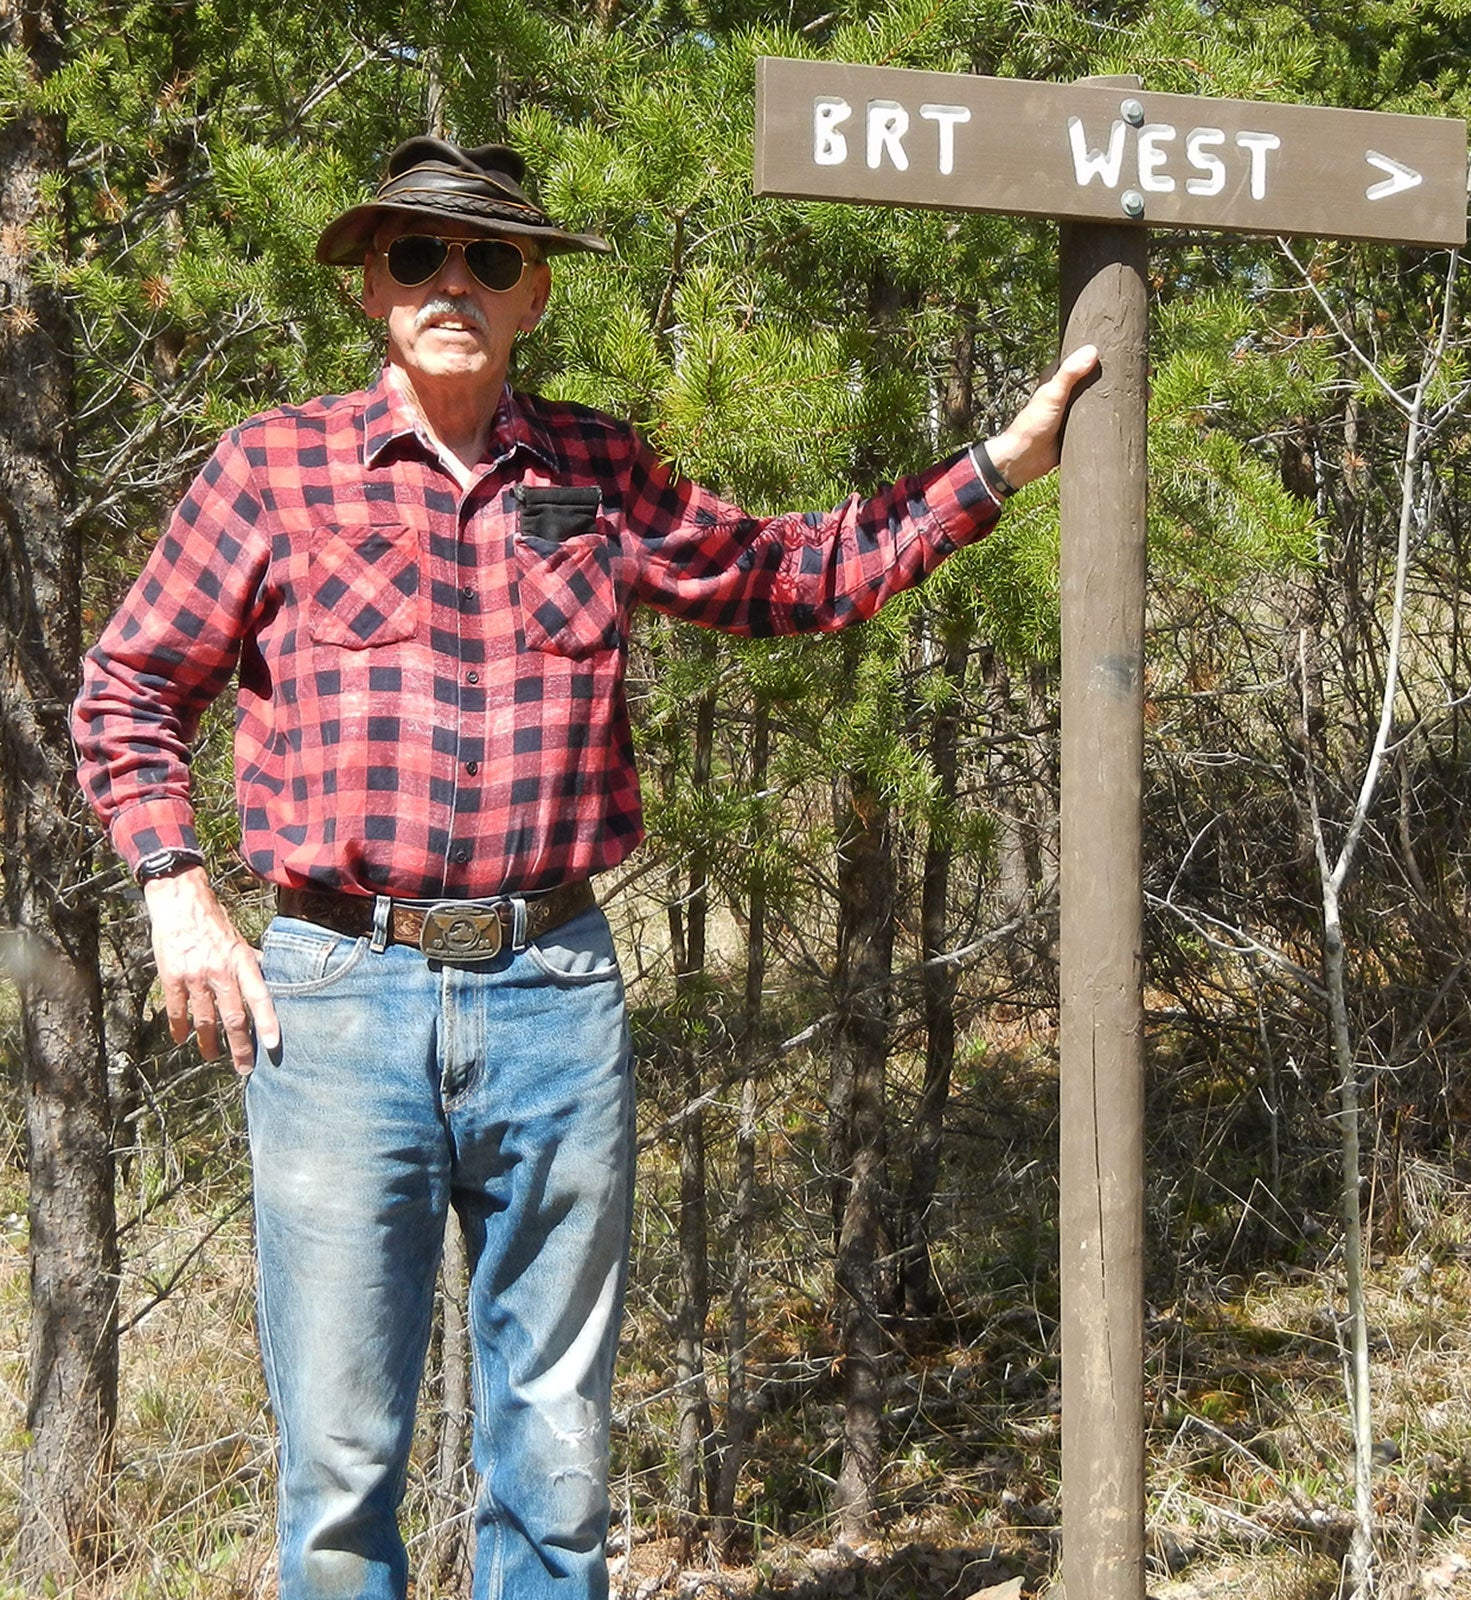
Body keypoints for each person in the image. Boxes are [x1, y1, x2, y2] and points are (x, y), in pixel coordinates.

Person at [73, 136, 1098, 1600]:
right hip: (334, 998)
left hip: (552, 993)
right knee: (341, 1472)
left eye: (491, 259)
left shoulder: (597, 468)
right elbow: (127, 689)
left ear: (535, 293)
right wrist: (178, 889)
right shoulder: (273, 467)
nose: (453, 284)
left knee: (555, 1454)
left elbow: (787, 577)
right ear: (371, 280)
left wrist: (997, 467)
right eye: (419, 255)